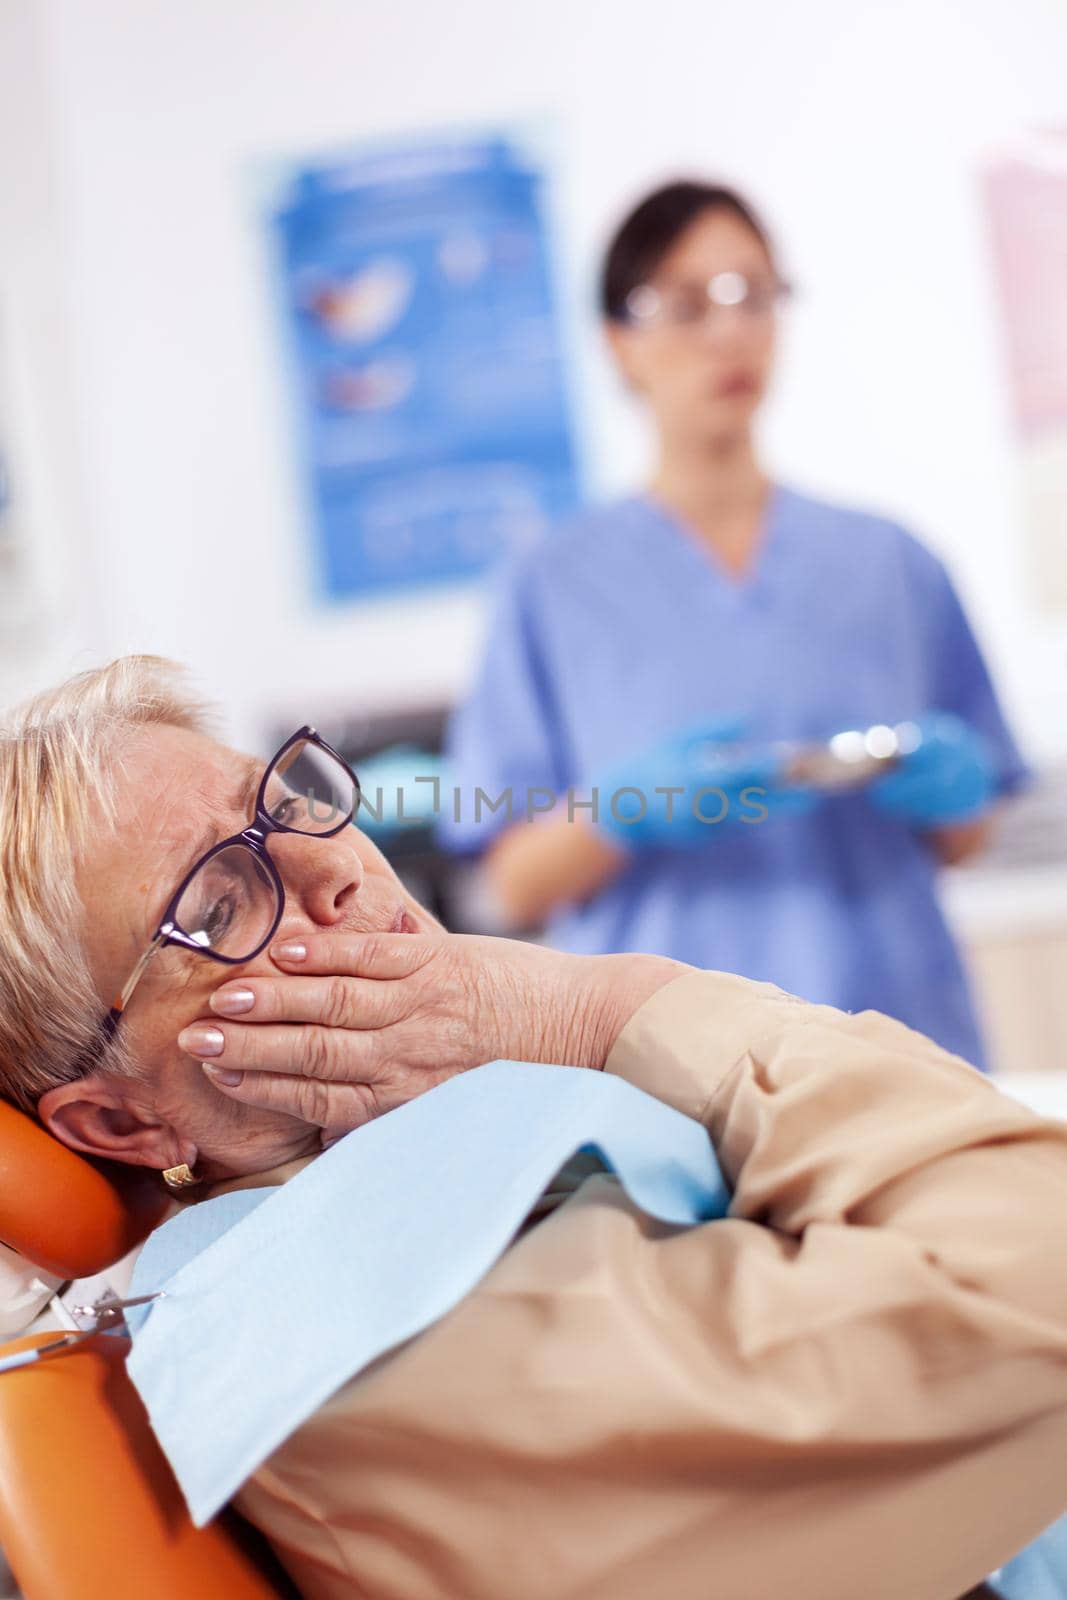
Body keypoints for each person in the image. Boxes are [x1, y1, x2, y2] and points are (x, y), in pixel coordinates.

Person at [2, 656, 1065, 1600]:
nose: (335, 867)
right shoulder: (333, 1341)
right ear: (121, 1120)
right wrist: (603, 1009)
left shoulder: (445, 1140)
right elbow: (1033, 1288)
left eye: (286, 802)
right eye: (219, 905)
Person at [440, 179, 1028, 1069]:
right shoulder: (548, 588)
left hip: (901, 1048)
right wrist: (620, 810)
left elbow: (966, 836)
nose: (728, 330)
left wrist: (953, 791)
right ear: (619, 343)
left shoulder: (891, 563)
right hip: (667, 1077)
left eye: (751, 294)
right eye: (685, 303)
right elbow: (503, 887)